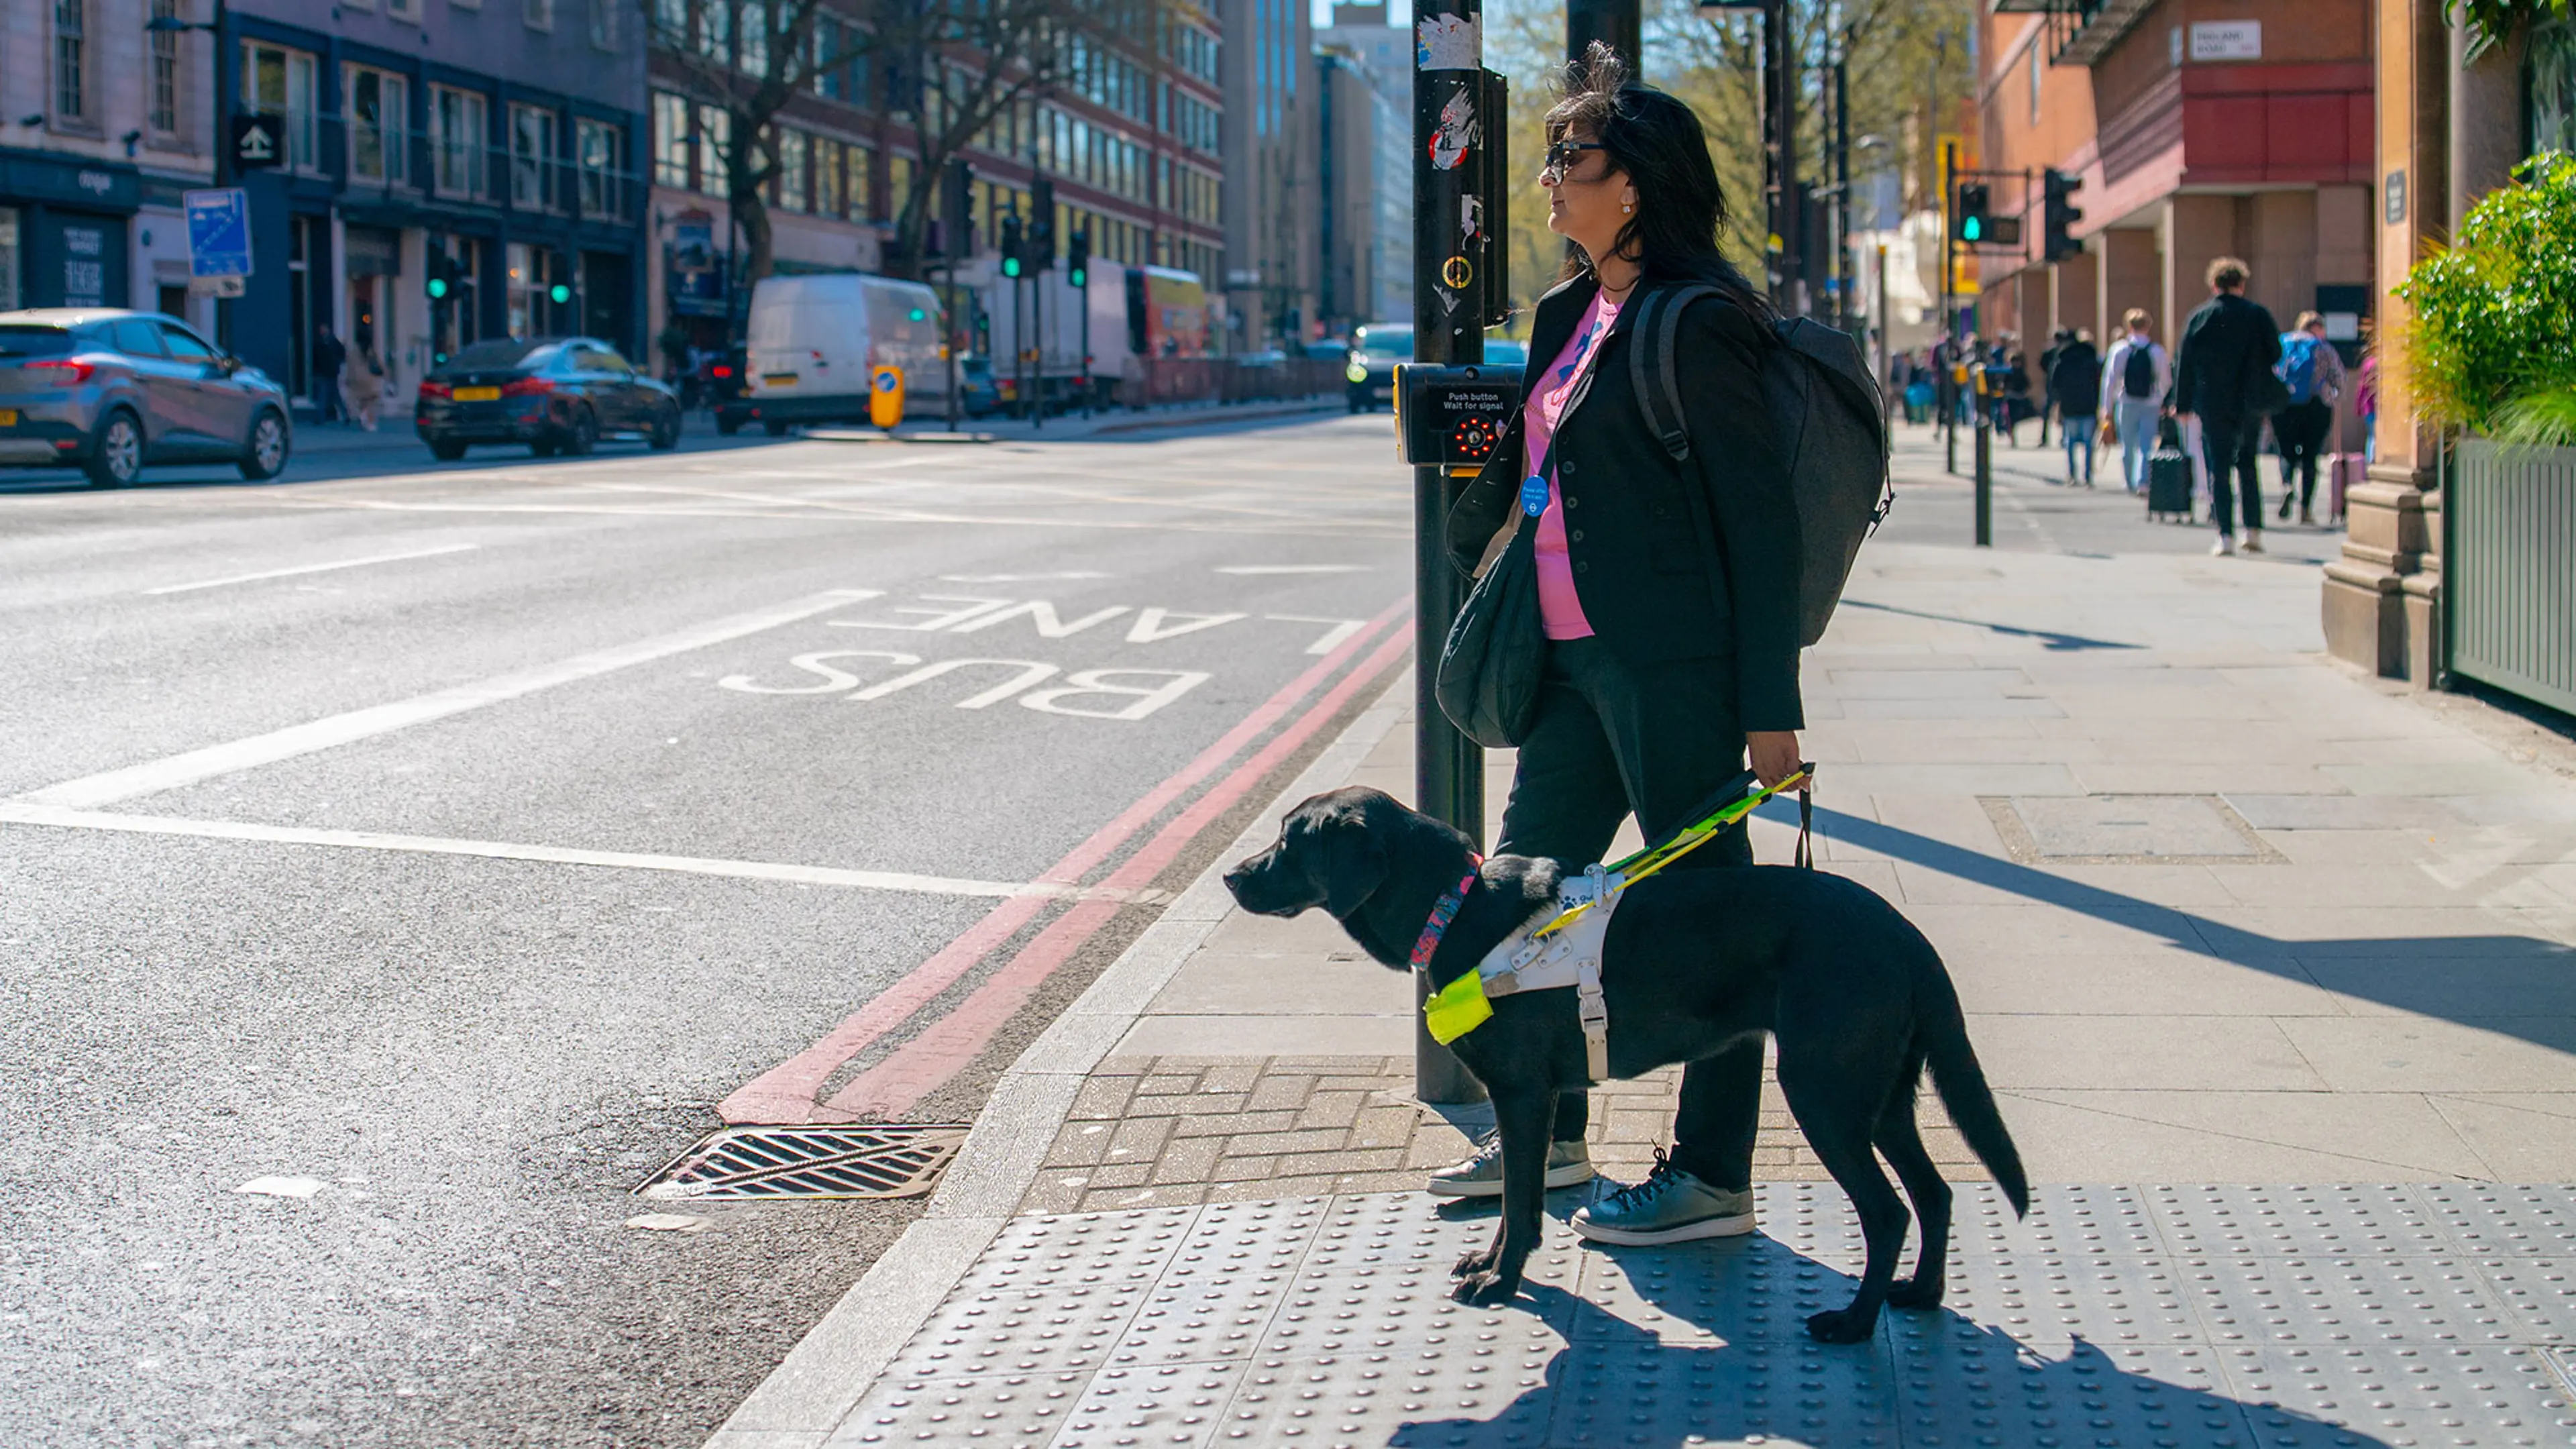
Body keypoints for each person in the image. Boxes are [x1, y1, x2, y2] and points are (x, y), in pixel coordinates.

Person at [1433, 44, 1805, 1247]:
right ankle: (1549, 1130)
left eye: (1568, 159)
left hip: (1672, 665)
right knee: (1524, 897)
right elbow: (1532, 471)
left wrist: (1768, 709)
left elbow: (1761, 527)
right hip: (1565, 663)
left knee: (1706, 914)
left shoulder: (1698, 322)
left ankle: (1710, 1174)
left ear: (1633, 182)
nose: (1545, 180)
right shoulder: (1560, 313)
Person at [2171, 256, 2282, 556]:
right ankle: (2254, 531)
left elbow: (2185, 363)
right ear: (2241, 284)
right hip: (2250, 401)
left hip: (2213, 403)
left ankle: (2225, 536)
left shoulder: (2200, 317)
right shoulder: (2257, 315)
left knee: (2218, 467)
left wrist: (2181, 403)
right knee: (2247, 464)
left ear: (2213, 284)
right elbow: (2276, 352)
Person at [2271, 311, 2345, 526]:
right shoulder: (2322, 347)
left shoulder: (2282, 344)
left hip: (2284, 405)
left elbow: (2272, 371)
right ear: (2318, 328)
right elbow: (2338, 378)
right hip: (2315, 406)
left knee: (2286, 452)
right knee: (2310, 456)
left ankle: (2287, 485)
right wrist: (2334, 396)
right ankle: (2305, 509)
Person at [2099, 311, 2168, 493]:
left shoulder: (2120, 349)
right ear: (2148, 326)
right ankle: (2143, 481)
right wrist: (2164, 402)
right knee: (2147, 445)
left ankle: (2129, 481)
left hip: (2126, 401)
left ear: (2129, 326)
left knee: (2127, 444)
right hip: (2151, 403)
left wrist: (2106, 408)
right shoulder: (2157, 351)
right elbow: (2165, 380)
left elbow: (2110, 380)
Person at [2048, 327, 2102, 486]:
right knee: (2088, 442)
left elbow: (2054, 383)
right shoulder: (2090, 356)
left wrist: (2057, 401)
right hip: (2089, 403)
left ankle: (2072, 474)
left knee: (2070, 441)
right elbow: (2098, 380)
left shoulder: (2062, 358)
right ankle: (2088, 475)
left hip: (2069, 404)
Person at [345, 328, 386, 431]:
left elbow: (350, 366)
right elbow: (379, 364)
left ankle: (363, 419)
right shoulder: (370, 350)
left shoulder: (353, 351)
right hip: (370, 380)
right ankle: (369, 422)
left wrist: (349, 379)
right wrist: (385, 373)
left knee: (362, 403)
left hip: (358, 380)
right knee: (371, 403)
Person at [311, 325, 347, 425]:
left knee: (328, 396)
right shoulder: (324, 343)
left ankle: (344, 415)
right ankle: (321, 417)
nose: (322, 332)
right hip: (326, 373)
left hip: (329, 373)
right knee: (328, 396)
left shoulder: (331, 343)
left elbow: (342, 354)